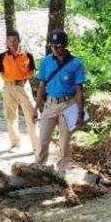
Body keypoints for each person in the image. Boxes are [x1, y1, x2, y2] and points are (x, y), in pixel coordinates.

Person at [33, 28, 86, 176]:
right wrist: (35, 108)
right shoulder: (46, 62)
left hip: (68, 104)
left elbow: (79, 90)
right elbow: (42, 86)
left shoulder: (76, 64)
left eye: (60, 46)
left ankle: (61, 171)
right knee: (43, 138)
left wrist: (80, 113)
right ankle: (39, 168)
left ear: (65, 45)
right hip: (50, 104)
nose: (57, 49)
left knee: (65, 141)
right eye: (53, 46)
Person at [0, 29, 39, 152]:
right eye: (10, 41)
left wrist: (21, 77)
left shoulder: (27, 55)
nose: (13, 43)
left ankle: (36, 146)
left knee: (31, 115)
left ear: (19, 41)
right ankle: (15, 143)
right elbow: (2, 73)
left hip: (23, 86)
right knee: (10, 115)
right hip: (8, 87)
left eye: (15, 40)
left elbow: (32, 72)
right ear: (6, 42)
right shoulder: (3, 56)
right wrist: (12, 78)